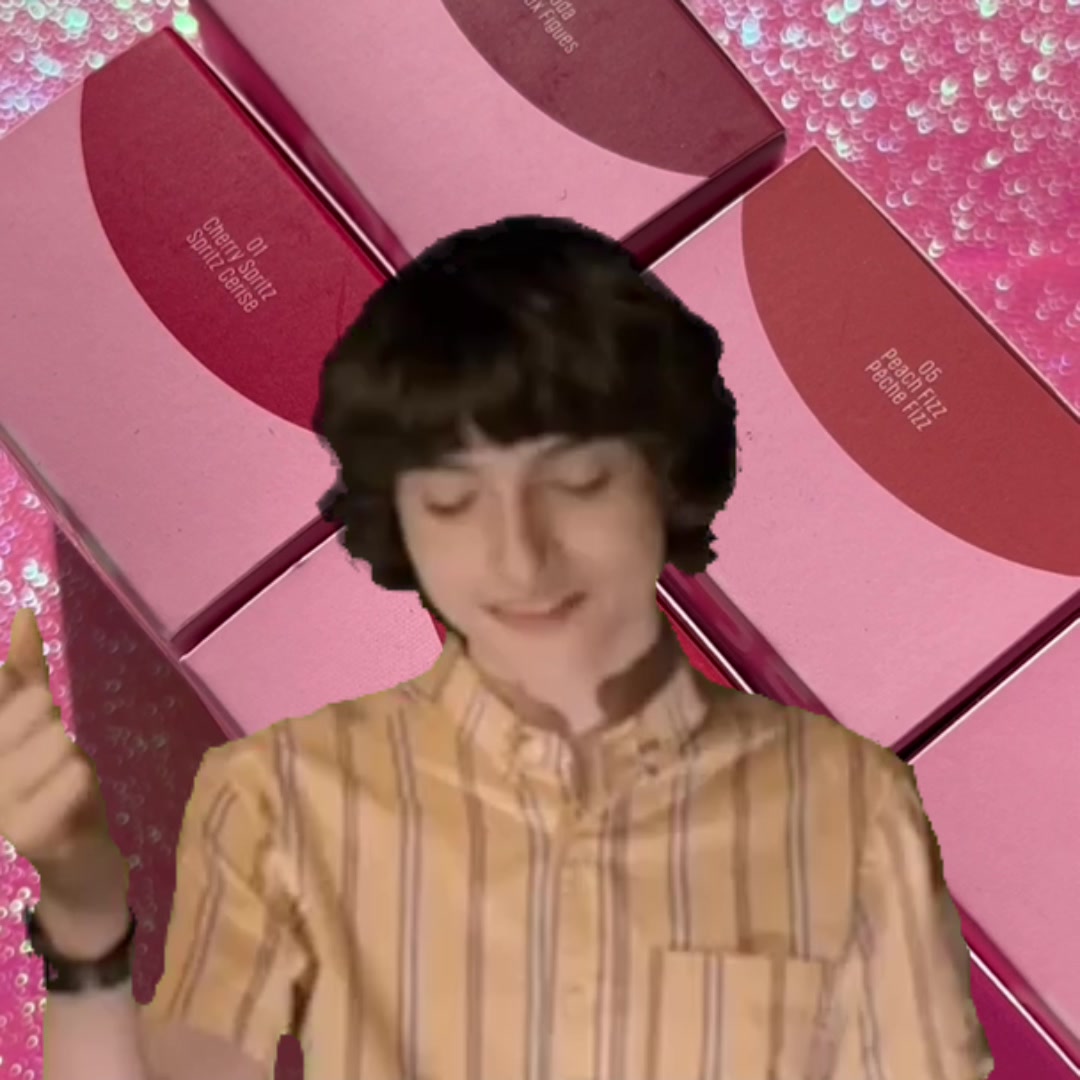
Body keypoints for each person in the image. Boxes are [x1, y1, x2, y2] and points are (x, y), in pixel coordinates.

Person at [0, 216, 992, 1080]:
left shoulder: (849, 804)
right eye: (452, 503)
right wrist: (85, 912)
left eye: (577, 485)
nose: (519, 557)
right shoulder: (275, 798)